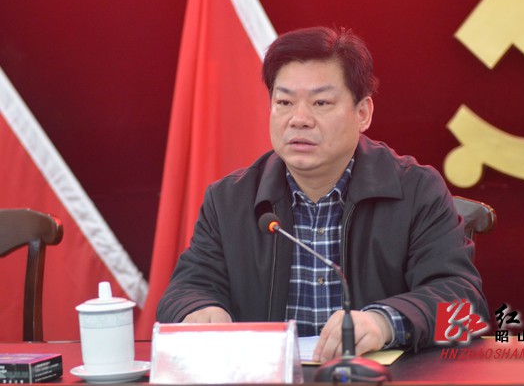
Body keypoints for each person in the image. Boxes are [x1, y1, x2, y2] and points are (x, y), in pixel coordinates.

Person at [156, 26, 488, 361]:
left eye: (321, 102)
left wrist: (384, 323)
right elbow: (186, 289)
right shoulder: (229, 199)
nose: (299, 119)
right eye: (284, 102)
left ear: (362, 113)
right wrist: (197, 309)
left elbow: (464, 302)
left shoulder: (416, 191)